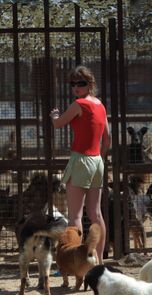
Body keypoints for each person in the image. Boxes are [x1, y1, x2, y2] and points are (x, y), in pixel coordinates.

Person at [50, 66, 110, 264]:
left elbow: (58, 124)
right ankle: (99, 259)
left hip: (81, 159)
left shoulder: (79, 104)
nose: (76, 87)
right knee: (96, 213)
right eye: (73, 84)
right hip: (97, 161)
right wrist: (99, 158)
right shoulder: (100, 105)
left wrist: (54, 116)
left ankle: (76, 261)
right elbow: (107, 139)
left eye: (81, 83)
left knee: (75, 215)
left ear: (90, 84)